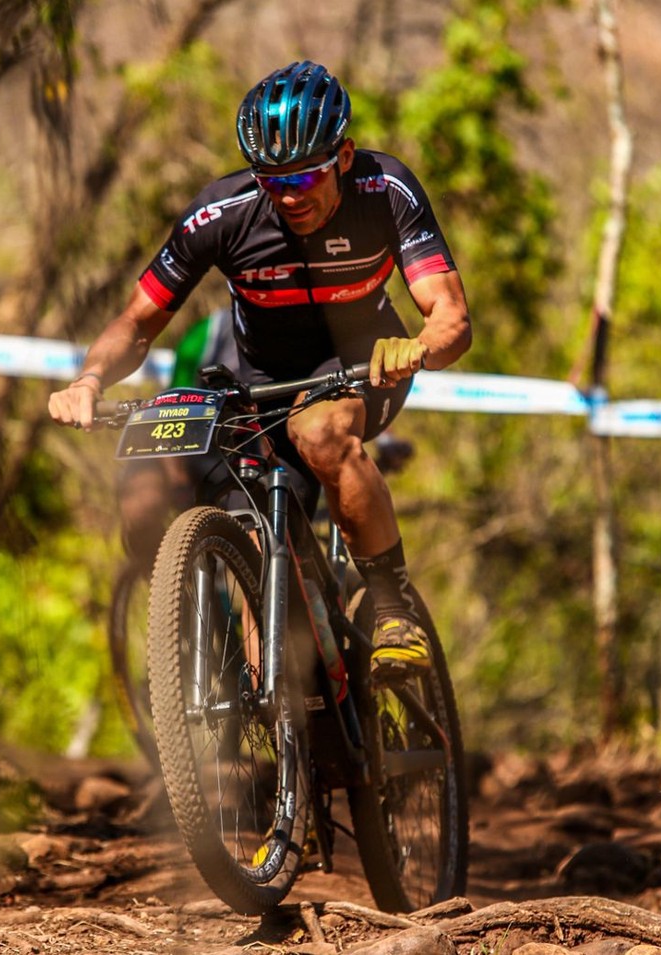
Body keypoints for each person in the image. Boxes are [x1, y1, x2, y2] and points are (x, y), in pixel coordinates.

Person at [50, 60, 472, 678]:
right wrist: (89, 379)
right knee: (258, 580)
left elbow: (451, 318)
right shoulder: (220, 215)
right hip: (262, 384)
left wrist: (418, 347)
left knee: (322, 434)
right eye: (274, 181)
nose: (292, 195)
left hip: (362, 366)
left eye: (306, 175)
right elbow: (137, 322)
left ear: (344, 157)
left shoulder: (386, 191)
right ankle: (285, 740)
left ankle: (391, 604)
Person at [115, 308, 239, 566]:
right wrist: (176, 476)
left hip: (241, 453)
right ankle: (160, 581)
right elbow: (169, 410)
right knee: (142, 493)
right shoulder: (208, 333)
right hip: (191, 448)